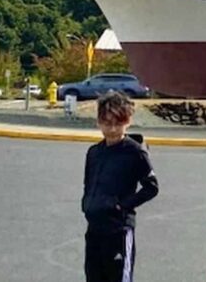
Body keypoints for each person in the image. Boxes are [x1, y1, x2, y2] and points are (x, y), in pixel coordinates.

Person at [82, 91, 159, 282]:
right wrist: (87, 203)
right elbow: (88, 183)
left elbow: (151, 187)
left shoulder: (135, 152)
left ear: (128, 122)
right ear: (99, 122)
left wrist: (121, 205)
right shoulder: (94, 152)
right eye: (107, 123)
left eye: (119, 123)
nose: (113, 129)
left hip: (118, 230)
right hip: (94, 228)